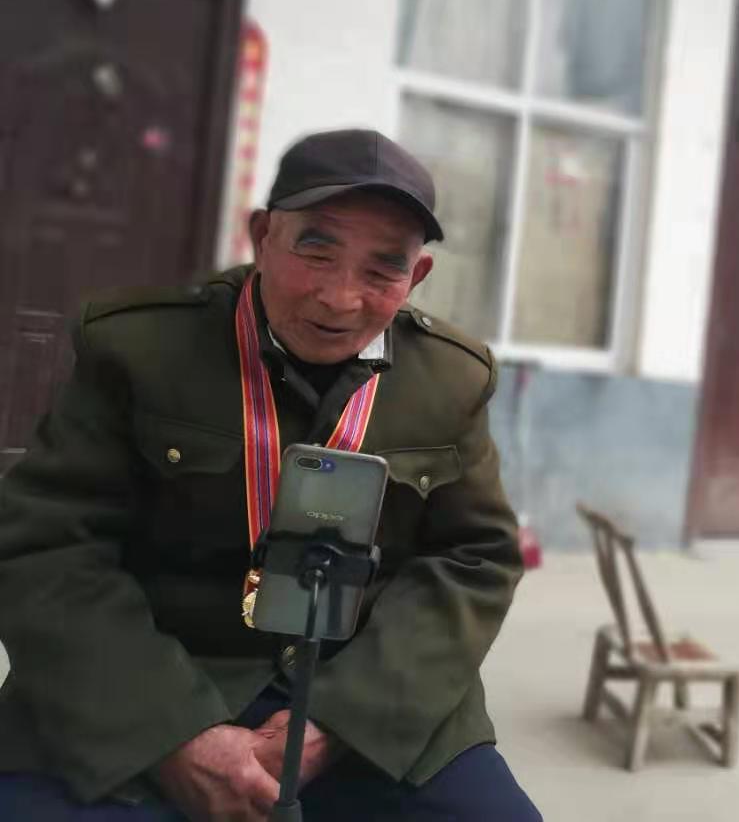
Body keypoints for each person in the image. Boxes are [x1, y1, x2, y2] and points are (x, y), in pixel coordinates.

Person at [0, 129, 541, 821]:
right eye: (316, 250)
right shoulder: (139, 350)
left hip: (367, 700)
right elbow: (46, 547)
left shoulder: (451, 380)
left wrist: (339, 723)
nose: (340, 298)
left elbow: (475, 560)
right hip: (148, 685)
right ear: (262, 236)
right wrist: (174, 735)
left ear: (418, 276)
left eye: (383, 270)